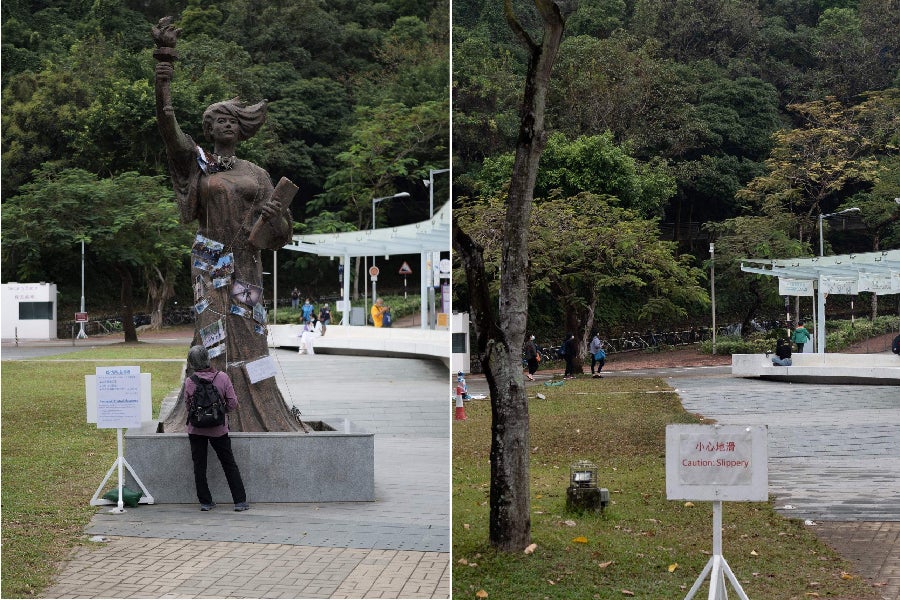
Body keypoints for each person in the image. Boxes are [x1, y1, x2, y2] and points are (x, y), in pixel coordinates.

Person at [153, 18, 303, 433]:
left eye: (234, 119)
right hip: (208, 257)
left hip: (247, 260)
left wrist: (275, 219)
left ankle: (261, 408)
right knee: (211, 332)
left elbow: (283, 229)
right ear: (209, 128)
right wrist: (163, 67)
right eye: (220, 119)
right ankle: (203, 406)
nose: (228, 124)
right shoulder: (196, 164)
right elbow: (167, 124)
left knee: (250, 328)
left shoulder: (256, 172)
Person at [183, 345, 249, 512]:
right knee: (229, 463)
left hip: (196, 430)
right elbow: (233, 403)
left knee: (199, 466)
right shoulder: (222, 377)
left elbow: (188, 406)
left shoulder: (189, 382)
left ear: (191, 362)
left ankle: (206, 502)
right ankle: (239, 501)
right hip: (218, 429)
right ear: (208, 358)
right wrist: (219, 413)